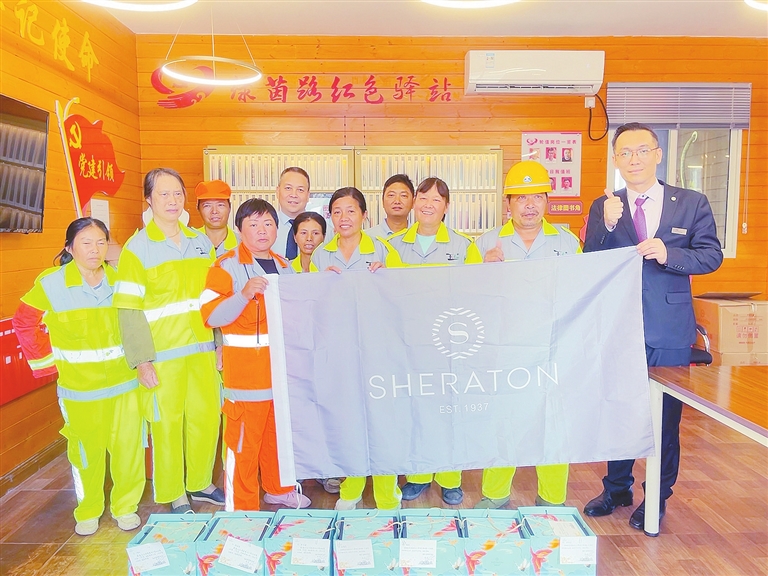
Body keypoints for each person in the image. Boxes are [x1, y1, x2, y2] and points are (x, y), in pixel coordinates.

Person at [582, 122, 723, 532]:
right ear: (616, 160)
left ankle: (657, 495)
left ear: (658, 155)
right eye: (625, 153)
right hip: (618, 326)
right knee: (619, 410)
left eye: (642, 150)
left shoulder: (691, 203)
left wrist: (669, 253)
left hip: (669, 329)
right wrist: (607, 226)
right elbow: (590, 261)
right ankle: (616, 488)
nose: (634, 159)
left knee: (665, 419)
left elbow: (711, 256)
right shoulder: (605, 205)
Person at [12, 218, 145, 536]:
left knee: (128, 449)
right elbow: (24, 322)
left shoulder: (120, 280)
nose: (95, 249)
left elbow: (138, 324)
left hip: (125, 385)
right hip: (80, 390)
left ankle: (126, 507)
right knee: (86, 454)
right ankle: (88, 510)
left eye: (101, 242)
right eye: (86, 242)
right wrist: (47, 363)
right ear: (70, 248)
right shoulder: (51, 284)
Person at [113, 168, 224, 514]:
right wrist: (141, 360)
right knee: (167, 424)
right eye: (163, 194)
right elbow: (128, 309)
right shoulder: (137, 249)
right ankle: (175, 492)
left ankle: (201, 482)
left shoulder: (200, 242)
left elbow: (213, 298)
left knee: (206, 418)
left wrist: (220, 343)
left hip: (203, 351)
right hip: (163, 356)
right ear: (149, 199)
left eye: (177, 193)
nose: (172, 201)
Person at [473, 161, 582, 509]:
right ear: (508, 204)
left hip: (552, 347)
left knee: (553, 423)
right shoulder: (486, 243)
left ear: (547, 201)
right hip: (505, 349)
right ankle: (495, 494)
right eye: (521, 198)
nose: (530, 205)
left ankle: (552, 498)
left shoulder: (567, 242)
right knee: (502, 422)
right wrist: (483, 271)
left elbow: (581, 293)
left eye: (537, 196)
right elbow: (468, 298)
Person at [201, 199, 311, 510]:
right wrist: (243, 294)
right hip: (246, 380)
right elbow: (211, 316)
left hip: (282, 375)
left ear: (277, 229)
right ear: (239, 230)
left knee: (278, 439)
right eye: (253, 224)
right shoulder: (225, 266)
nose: (262, 230)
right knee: (243, 446)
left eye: (267, 224)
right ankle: (242, 508)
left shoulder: (285, 266)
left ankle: (279, 490)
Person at [388, 177, 481, 507]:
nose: (428, 204)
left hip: (449, 344)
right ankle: (418, 475)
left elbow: (475, 292)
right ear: (415, 203)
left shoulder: (463, 246)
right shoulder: (393, 245)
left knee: (449, 411)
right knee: (415, 410)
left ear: (447, 207)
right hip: (408, 344)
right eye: (423, 198)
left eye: (436, 200)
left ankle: (450, 479)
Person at [311, 187, 392, 273]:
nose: (343, 218)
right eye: (337, 212)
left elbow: (398, 279)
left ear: (364, 215)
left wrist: (385, 276)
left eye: (351, 211)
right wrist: (323, 278)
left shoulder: (383, 249)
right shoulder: (319, 254)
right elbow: (311, 281)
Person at [274, 167, 312, 260]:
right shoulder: (265, 228)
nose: (294, 195)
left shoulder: (323, 230)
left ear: (308, 195)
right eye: (288, 188)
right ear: (278, 191)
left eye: (300, 190)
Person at [195, 179, 239, 257]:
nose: (214, 211)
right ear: (198, 209)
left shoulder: (242, 244)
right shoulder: (189, 242)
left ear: (229, 207)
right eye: (207, 206)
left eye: (220, 205)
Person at [366, 174, 415, 240]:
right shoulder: (367, 237)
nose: (397, 201)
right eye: (391, 195)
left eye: (403, 195)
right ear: (382, 201)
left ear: (413, 202)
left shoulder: (420, 237)